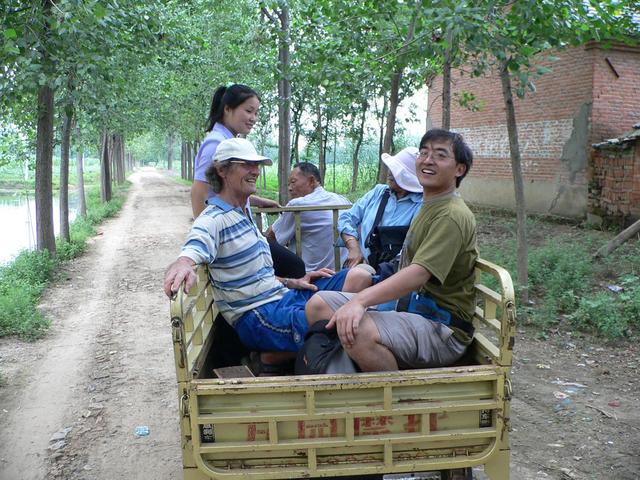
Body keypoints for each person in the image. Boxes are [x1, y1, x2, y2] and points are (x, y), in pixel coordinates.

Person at [164, 138, 373, 353]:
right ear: (222, 171)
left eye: (256, 165)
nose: (255, 171)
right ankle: (275, 357)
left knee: (360, 276)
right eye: (246, 164)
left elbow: (253, 277)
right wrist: (183, 262)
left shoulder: (243, 214)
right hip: (259, 316)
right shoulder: (214, 218)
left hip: (282, 296)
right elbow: (197, 241)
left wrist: (293, 281)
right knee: (332, 310)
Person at [305, 129, 477, 372]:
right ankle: (360, 367)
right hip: (411, 307)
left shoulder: (451, 215)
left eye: (440, 155)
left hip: (442, 327)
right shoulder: (430, 205)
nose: (428, 160)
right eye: (424, 152)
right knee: (318, 304)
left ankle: (394, 402)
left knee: (358, 331)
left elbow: (418, 273)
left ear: (459, 169)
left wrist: (360, 301)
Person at [191, 83, 305, 279]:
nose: (253, 118)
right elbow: (199, 192)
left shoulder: (227, 139)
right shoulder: (217, 143)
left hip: (241, 228)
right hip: (230, 233)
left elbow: (224, 190)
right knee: (294, 267)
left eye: (256, 113)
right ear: (227, 109)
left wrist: (258, 201)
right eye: (248, 111)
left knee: (289, 267)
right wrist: (209, 236)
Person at [337, 147, 423, 268]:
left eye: (397, 171)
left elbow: (411, 248)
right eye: (392, 168)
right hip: (360, 267)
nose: (390, 173)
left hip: (394, 275)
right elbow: (346, 218)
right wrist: (353, 247)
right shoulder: (378, 193)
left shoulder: (420, 205)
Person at [266, 162, 351, 271]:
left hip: (309, 275)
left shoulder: (298, 205)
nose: (290, 188)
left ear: (311, 181)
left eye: (293, 182)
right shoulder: (341, 200)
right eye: (288, 184)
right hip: (340, 270)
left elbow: (272, 235)